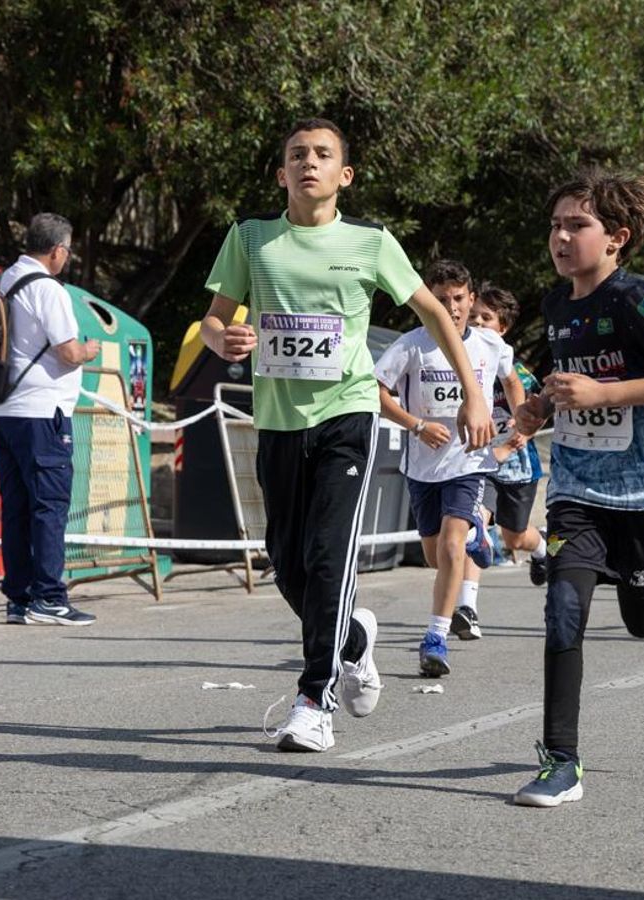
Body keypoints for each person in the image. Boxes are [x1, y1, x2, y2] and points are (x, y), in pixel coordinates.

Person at [200, 118, 493, 752]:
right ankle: (355, 639)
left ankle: (314, 701)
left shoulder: (370, 241)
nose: (309, 162)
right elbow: (213, 322)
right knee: (288, 564)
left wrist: (473, 392)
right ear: (282, 173)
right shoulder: (250, 239)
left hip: (347, 413)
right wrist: (227, 339)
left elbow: (434, 311)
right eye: (297, 154)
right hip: (277, 421)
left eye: (323, 154)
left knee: (330, 557)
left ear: (344, 175)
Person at [509, 168, 644, 808]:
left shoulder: (635, 299)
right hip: (577, 486)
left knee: (642, 617)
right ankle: (561, 761)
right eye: (555, 224)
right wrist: (539, 410)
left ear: (616, 238)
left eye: (577, 225)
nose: (561, 236)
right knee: (564, 608)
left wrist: (604, 393)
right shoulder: (555, 305)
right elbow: (567, 379)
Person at [375, 260, 519, 674]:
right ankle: (479, 536)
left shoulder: (490, 345)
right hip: (422, 467)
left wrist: (519, 419)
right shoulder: (411, 345)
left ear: (471, 299)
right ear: (426, 303)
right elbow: (376, 393)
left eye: (458, 299)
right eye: (441, 300)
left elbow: (512, 381)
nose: (451, 307)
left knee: (453, 547)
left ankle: (436, 637)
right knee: (436, 556)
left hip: (469, 462)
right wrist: (417, 425)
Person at [0, 213, 101, 627]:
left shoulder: (4, 280)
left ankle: (18, 598)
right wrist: (90, 350)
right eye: (67, 251)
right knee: (49, 505)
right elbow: (67, 352)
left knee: (16, 505)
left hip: (1, 409)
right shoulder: (48, 289)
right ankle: (50, 597)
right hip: (40, 410)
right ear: (58, 251)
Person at [472, 282, 549, 588]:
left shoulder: (517, 371)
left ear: (502, 328)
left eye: (486, 318)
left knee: (514, 537)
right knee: (473, 523)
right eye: (473, 316)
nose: (477, 322)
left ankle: (543, 547)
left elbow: (537, 413)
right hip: (482, 459)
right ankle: (467, 604)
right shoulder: (461, 362)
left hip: (517, 465)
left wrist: (525, 434)